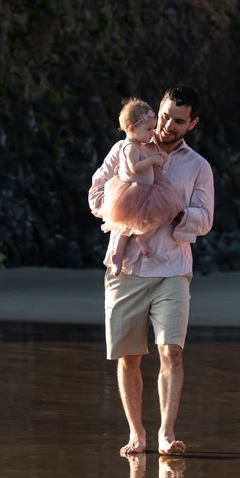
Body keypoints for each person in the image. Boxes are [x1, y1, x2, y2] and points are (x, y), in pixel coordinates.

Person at [89, 86, 215, 456]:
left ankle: (166, 433)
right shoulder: (124, 149)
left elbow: (204, 220)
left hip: (173, 268)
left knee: (171, 350)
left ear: (192, 123)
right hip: (126, 267)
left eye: (179, 120)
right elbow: (95, 196)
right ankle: (136, 434)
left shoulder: (199, 167)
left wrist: (174, 213)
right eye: (164, 116)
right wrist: (128, 201)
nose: (168, 126)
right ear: (156, 111)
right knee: (129, 356)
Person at [100, 98, 185, 275]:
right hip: (133, 191)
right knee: (123, 226)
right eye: (148, 129)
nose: (152, 133)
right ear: (131, 129)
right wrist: (153, 160)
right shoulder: (130, 146)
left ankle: (142, 238)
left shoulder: (141, 145)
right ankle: (117, 254)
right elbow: (135, 168)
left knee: (159, 213)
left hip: (147, 190)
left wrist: (160, 158)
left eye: (153, 128)